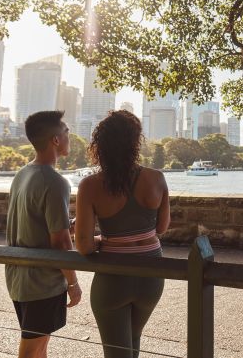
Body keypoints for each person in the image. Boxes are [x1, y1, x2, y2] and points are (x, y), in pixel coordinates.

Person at [75, 110, 170, 358]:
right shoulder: (157, 178)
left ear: (101, 144)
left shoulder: (90, 185)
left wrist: (101, 240)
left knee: (117, 352)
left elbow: (83, 246)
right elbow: (160, 229)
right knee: (132, 341)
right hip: (152, 277)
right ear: (135, 142)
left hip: (113, 281)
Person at [5, 110, 82, 358]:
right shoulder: (55, 181)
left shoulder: (22, 175)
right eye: (67, 131)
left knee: (40, 348)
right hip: (42, 283)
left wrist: (68, 224)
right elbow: (60, 243)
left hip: (18, 278)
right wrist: (73, 282)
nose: (70, 136)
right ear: (56, 140)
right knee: (32, 350)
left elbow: (35, 223)